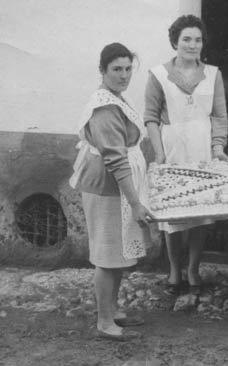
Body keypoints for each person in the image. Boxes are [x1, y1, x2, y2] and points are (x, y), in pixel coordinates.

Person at [70, 42, 155, 340]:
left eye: (128, 69)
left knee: (117, 252)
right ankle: (105, 321)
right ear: (102, 71)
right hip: (106, 187)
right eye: (116, 69)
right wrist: (135, 202)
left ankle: (113, 309)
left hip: (116, 186)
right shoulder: (105, 106)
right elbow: (115, 158)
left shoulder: (117, 97)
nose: (123, 75)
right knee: (107, 255)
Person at [144, 14, 228, 296]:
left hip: (202, 148)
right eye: (186, 39)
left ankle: (193, 267)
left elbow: (219, 115)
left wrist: (218, 147)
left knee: (199, 214)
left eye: (198, 39)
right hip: (173, 148)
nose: (193, 45)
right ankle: (174, 268)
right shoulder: (158, 76)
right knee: (173, 214)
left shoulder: (213, 74)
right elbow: (151, 118)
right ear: (175, 42)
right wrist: (159, 153)